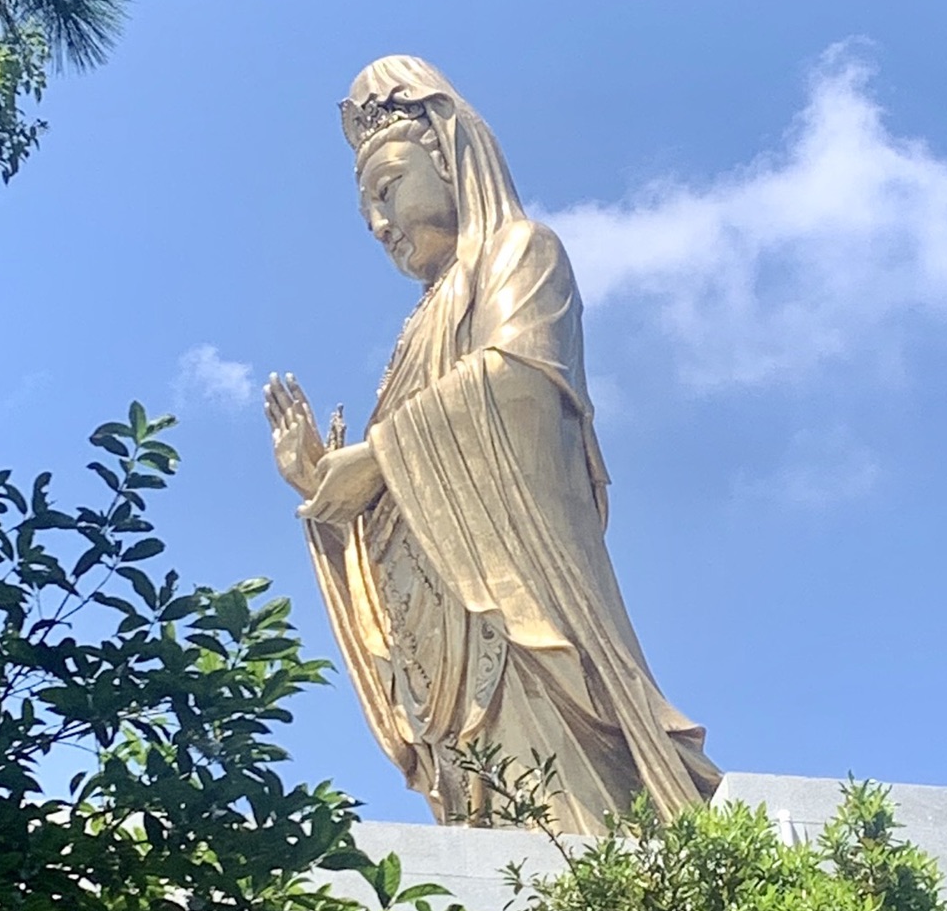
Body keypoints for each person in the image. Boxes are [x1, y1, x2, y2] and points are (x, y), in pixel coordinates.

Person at [265, 55, 718, 833]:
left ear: (447, 156)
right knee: (489, 811)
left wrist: (378, 458)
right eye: (365, 211)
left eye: (387, 190)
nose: (380, 225)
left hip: (521, 605)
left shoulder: (522, 253)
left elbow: (520, 386)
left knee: (569, 818)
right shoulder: (422, 324)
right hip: (445, 626)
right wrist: (326, 484)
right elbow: (403, 478)